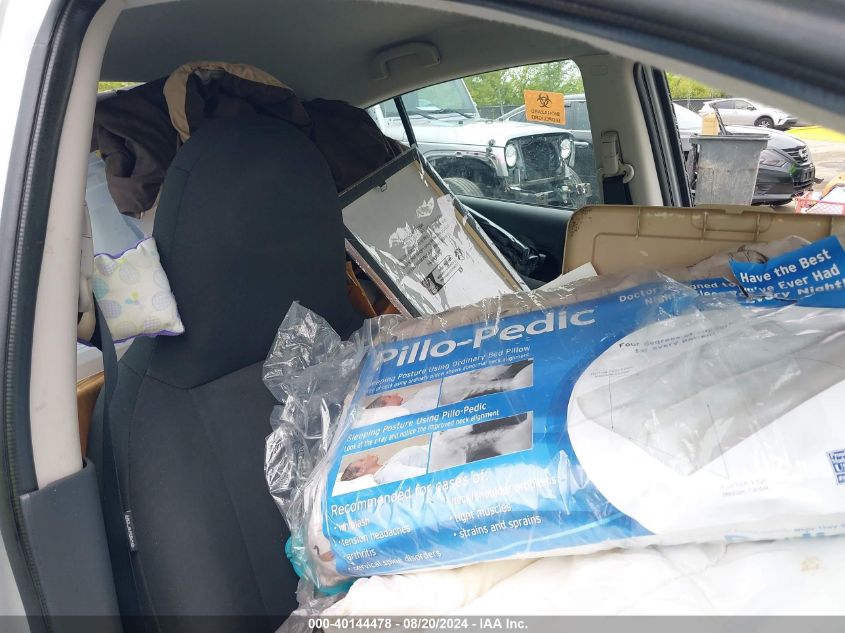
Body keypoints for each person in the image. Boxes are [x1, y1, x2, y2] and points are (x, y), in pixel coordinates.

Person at [340, 444, 429, 485]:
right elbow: (427, 475)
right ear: (361, 471)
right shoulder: (389, 473)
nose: (367, 455)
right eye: (362, 460)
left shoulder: (387, 467)